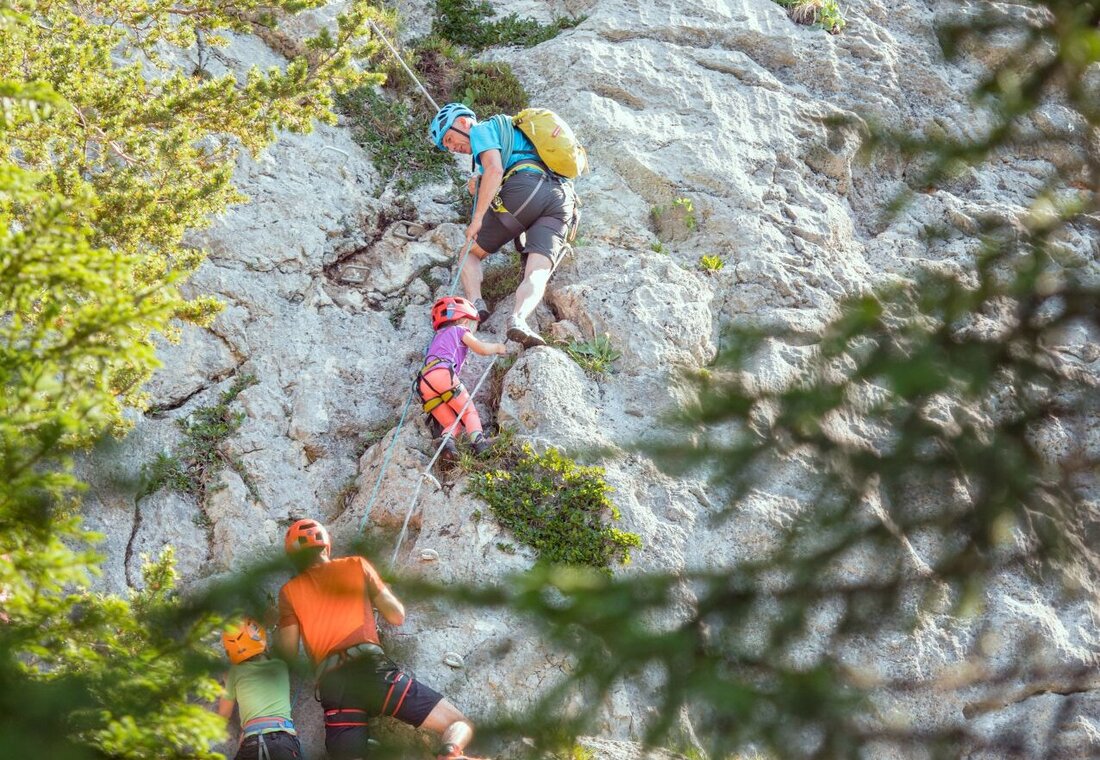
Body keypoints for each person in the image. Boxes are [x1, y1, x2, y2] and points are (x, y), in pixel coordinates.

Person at [275, 519, 483, 760]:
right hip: (373, 672)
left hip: (336, 688)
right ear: (326, 545)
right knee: (458, 722)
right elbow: (396, 616)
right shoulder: (356, 565)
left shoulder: (289, 592)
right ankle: (451, 753)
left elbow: (288, 653)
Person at [429, 102, 579, 349]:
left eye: (449, 138)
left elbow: (495, 169)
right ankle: (519, 319)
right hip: (562, 200)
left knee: (469, 253)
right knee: (538, 271)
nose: (452, 147)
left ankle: (475, 306)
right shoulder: (513, 132)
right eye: (447, 147)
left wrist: (477, 220)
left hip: (526, 188)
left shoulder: (481, 129)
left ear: (464, 122)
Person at [417, 295, 508, 460]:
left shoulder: (437, 337)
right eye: (474, 324)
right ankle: (480, 442)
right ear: (465, 321)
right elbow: (480, 348)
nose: (473, 328)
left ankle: (447, 446)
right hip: (443, 374)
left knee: (452, 424)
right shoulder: (460, 330)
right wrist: (498, 347)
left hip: (424, 383)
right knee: (468, 411)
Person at [217, 617, 302, 760]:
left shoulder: (234, 673)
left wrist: (227, 683)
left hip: (252, 742)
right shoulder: (280, 666)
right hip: (284, 740)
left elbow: (223, 715)